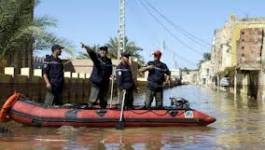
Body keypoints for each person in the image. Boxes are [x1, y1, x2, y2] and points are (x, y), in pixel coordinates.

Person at [81, 43, 112, 109]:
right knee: (93, 99)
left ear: (107, 52)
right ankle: (89, 110)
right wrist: (86, 47)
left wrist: (110, 76)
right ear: (99, 51)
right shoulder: (96, 58)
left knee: (103, 100)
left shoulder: (109, 61)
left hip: (105, 83)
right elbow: (91, 53)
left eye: (104, 50)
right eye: (101, 50)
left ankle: (103, 110)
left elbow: (110, 70)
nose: (103, 51)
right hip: (96, 82)